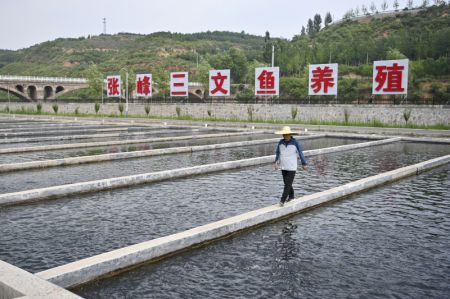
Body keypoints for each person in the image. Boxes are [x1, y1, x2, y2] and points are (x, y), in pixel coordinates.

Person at [274, 126, 308, 207]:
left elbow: (300, 153)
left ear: (290, 134)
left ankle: (282, 200)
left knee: (287, 184)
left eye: (286, 134)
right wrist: (276, 162)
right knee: (287, 183)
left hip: (292, 167)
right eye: (283, 134)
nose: (284, 136)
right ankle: (291, 197)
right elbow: (278, 153)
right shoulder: (280, 142)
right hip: (283, 166)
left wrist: (304, 164)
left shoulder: (295, 142)